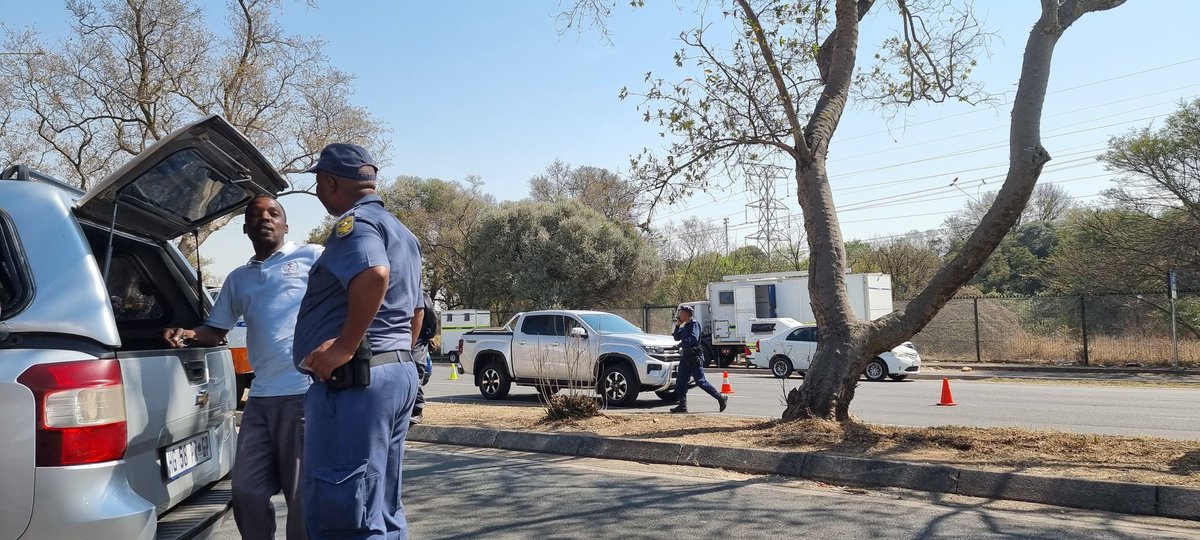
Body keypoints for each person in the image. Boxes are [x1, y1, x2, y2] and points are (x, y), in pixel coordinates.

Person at [162, 195, 320, 540]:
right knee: (246, 490)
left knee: (302, 498)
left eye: (273, 213)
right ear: (246, 228)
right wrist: (188, 334)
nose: (265, 218)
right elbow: (215, 330)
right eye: (255, 215)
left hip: (304, 394)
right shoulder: (238, 278)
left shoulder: (312, 257)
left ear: (285, 225)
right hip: (261, 399)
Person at [293, 143, 422, 539]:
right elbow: (418, 312)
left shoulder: (356, 225)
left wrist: (345, 346)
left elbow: (374, 275)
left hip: (356, 383)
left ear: (330, 182)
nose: (317, 192)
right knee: (380, 504)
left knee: (344, 512)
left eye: (317, 183)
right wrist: (395, 357)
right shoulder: (401, 231)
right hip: (395, 372)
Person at [671, 304, 728, 414]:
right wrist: (677, 325)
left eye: (681, 314)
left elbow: (693, 338)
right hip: (686, 357)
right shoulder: (685, 326)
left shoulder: (694, 325)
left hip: (694, 357)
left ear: (686, 315)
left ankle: (720, 397)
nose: (679, 315)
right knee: (681, 382)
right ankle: (682, 405)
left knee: (701, 381)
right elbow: (676, 337)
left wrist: (681, 344)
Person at [409, 291, 438, 425]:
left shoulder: (421, 296)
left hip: (419, 340)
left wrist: (429, 337)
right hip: (402, 338)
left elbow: (432, 318)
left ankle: (417, 410)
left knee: (415, 371)